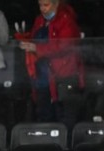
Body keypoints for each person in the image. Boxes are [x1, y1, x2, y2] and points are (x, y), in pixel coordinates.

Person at [19, 0, 84, 133]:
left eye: (46, 5)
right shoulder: (39, 20)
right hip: (43, 76)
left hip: (63, 73)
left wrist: (37, 48)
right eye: (40, 5)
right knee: (43, 115)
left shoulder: (66, 20)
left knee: (64, 116)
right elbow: (36, 39)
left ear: (56, 4)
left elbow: (64, 46)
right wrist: (26, 40)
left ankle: (65, 144)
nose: (42, 8)